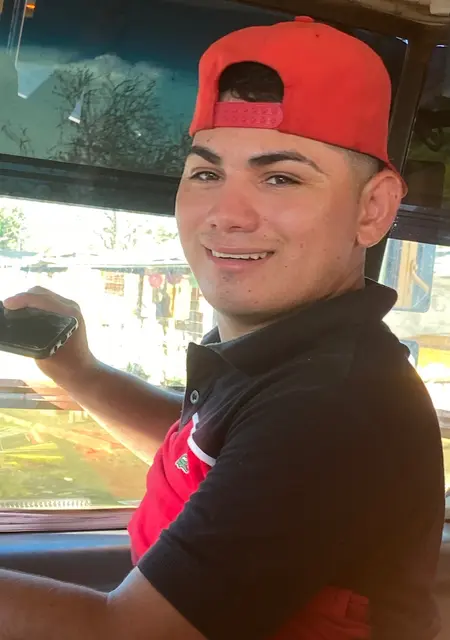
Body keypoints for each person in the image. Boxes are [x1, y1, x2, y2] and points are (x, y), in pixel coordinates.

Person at [0, 16, 444, 640]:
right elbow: (209, 455)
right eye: (206, 173)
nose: (225, 215)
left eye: (280, 177)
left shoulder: (336, 407)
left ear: (373, 209)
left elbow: (130, 634)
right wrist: (80, 371)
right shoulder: (284, 356)